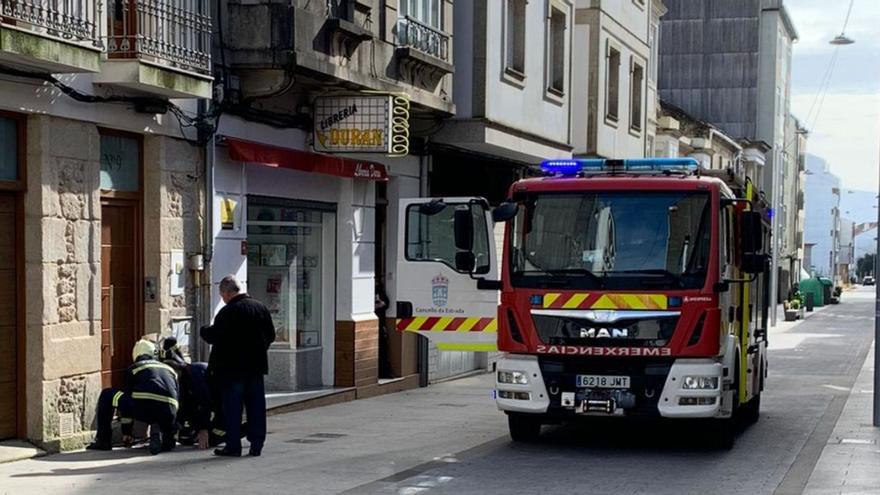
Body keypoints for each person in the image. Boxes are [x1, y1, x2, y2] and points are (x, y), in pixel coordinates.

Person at [200, 275, 275, 457]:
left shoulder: (228, 312)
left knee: (232, 409)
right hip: (255, 368)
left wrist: (204, 330)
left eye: (222, 295)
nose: (223, 298)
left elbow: (214, 336)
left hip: (232, 370)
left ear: (226, 293)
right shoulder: (260, 308)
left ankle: (233, 446)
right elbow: (271, 335)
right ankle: (257, 444)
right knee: (256, 407)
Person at [87, 339, 180, 455]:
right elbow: (177, 397)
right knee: (167, 438)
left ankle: (103, 440)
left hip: (144, 409)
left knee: (107, 395)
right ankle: (166, 436)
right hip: (168, 412)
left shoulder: (134, 368)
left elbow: (127, 401)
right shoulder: (170, 369)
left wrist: (127, 432)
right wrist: (172, 429)